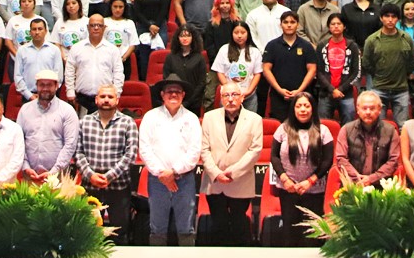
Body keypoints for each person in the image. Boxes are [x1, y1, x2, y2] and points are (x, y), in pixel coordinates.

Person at [139, 75, 202, 247]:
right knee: (157, 228)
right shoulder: (151, 117)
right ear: (162, 94)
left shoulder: (192, 119)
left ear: (183, 95)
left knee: (186, 228)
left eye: (177, 92)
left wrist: (172, 172)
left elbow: (194, 152)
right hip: (157, 180)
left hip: (185, 180)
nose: (173, 95)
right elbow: (144, 149)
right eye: (169, 92)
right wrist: (163, 174)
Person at [200, 82, 264, 246]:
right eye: (226, 95)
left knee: (239, 227)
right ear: (220, 98)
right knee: (218, 226)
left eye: (234, 95)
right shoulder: (209, 117)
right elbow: (204, 149)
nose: (230, 99)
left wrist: (232, 172)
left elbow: (255, 151)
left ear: (242, 97)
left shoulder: (255, 119)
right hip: (214, 183)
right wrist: (216, 173)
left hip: (240, 182)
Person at [76, 83, 139, 243]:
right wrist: (90, 176)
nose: (106, 100)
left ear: (117, 100)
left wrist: (109, 176)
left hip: (118, 188)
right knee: (89, 231)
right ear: (96, 100)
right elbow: (78, 153)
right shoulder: (84, 122)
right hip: (90, 186)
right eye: (102, 96)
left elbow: (131, 154)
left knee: (120, 232)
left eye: (110, 97)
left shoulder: (127, 122)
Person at [270, 90, 333, 247]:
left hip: (314, 190)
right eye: (299, 106)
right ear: (293, 109)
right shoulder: (282, 129)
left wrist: (309, 181)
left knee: (313, 235)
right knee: (289, 234)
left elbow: (327, 160)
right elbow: (274, 157)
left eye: (306, 105)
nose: (303, 109)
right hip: (288, 189)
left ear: (313, 108)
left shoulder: (323, 131)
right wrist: (285, 179)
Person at [18, 71, 79, 181]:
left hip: (58, 176)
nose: (45, 88)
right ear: (36, 86)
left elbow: (70, 144)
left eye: (49, 85)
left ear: (57, 86)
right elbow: (18, 141)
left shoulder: (67, 111)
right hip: (30, 175)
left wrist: (54, 170)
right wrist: (26, 167)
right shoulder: (25, 110)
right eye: (42, 85)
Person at [261, 11, 318, 120]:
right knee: (280, 129)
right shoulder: (272, 45)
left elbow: (312, 70)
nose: (289, 25)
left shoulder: (306, 46)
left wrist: (299, 90)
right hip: (279, 96)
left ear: (298, 24)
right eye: (285, 22)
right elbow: (266, 69)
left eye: (292, 22)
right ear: (280, 24)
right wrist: (279, 90)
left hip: (303, 97)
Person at [335, 91, 401, 186]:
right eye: (364, 108)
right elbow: (341, 158)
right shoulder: (346, 130)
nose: (368, 112)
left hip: (381, 185)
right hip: (352, 184)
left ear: (379, 110)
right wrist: (357, 178)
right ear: (358, 109)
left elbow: (393, 161)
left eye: (372, 108)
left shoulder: (391, 131)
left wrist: (372, 178)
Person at [66, 15, 125, 114]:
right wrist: (70, 91)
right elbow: (69, 71)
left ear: (104, 28)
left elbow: (118, 73)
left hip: (105, 99)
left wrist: (116, 94)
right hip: (81, 99)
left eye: (99, 25)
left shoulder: (112, 49)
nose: (96, 28)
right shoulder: (77, 48)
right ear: (88, 27)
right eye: (93, 25)